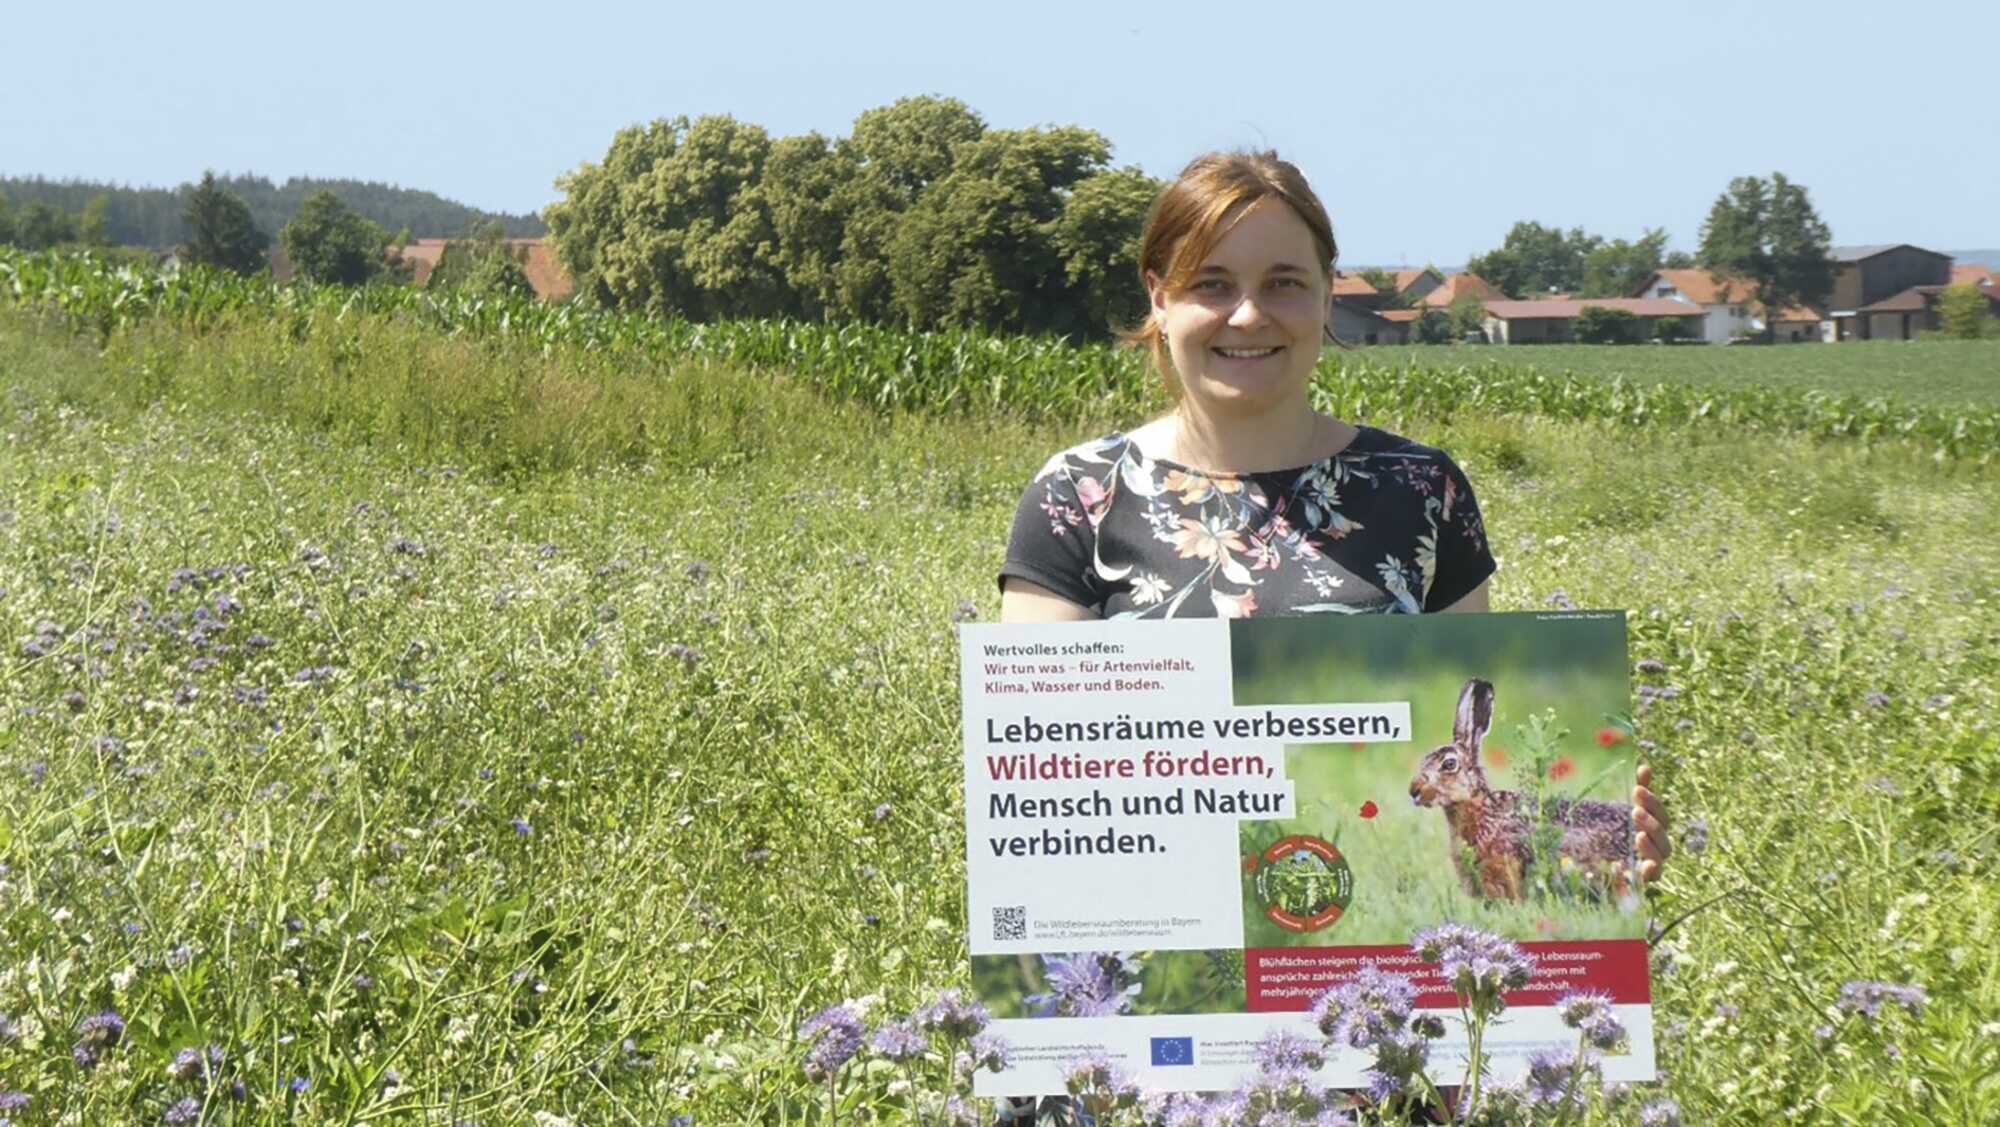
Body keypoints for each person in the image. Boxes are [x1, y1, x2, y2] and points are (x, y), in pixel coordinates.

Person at [993, 151, 1670, 1123]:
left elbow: (1473, 698)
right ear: (1158, 296)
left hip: (1370, 1055)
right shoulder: (1076, 497)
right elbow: (1038, 786)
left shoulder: (1417, 490)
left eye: (1282, 284)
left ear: (1323, 295)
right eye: (1210, 285)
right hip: (1146, 1047)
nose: (1246, 316)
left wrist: (1608, 859)